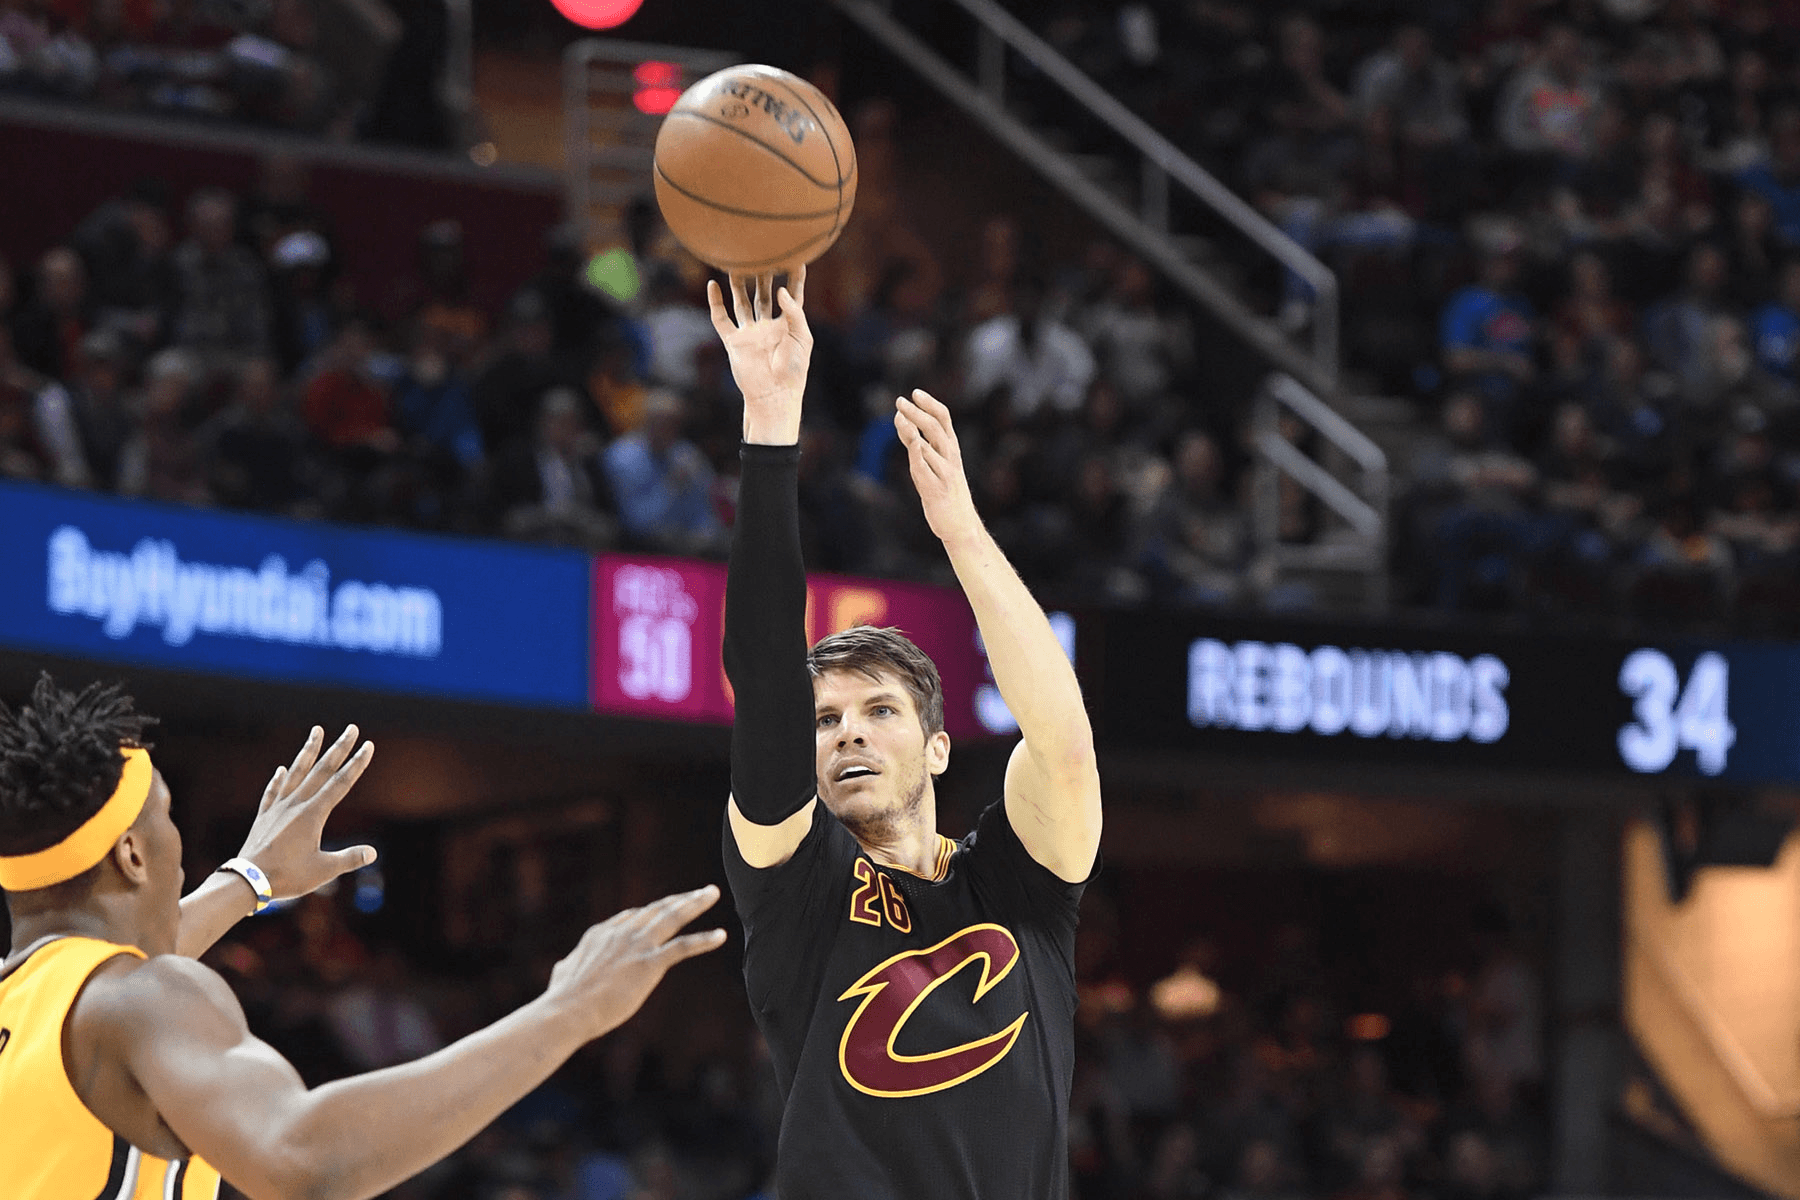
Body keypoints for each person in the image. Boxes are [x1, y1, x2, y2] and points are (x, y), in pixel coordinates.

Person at [0, 675, 725, 1199]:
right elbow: (303, 1159)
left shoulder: (34, 1004)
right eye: (167, 816)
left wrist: (249, 879)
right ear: (132, 854)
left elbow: (109, 977)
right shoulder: (145, 999)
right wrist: (568, 1014)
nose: (178, 844)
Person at [708, 267, 1103, 1197]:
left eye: (879, 711)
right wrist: (770, 428)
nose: (847, 734)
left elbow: (1062, 740)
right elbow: (764, 682)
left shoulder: (1016, 888)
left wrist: (960, 530)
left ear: (937, 747)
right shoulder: (797, 887)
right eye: (827, 720)